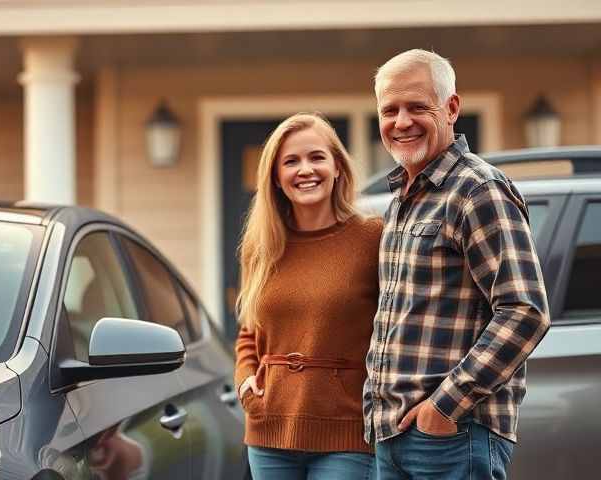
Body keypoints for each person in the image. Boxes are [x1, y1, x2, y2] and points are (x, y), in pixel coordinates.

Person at [364, 49, 551, 480]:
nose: (401, 121)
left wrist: (443, 406)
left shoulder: (477, 190)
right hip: (394, 435)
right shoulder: (402, 200)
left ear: (451, 108)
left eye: (416, 106)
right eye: (389, 110)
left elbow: (525, 311)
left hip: (453, 437)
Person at [234, 112, 382, 479]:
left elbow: (395, 329)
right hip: (269, 429)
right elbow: (249, 331)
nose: (305, 169)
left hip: (346, 431)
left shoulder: (373, 238)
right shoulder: (262, 246)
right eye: (291, 161)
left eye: (317, 157)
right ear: (276, 178)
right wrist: (245, 380)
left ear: (337, 168)